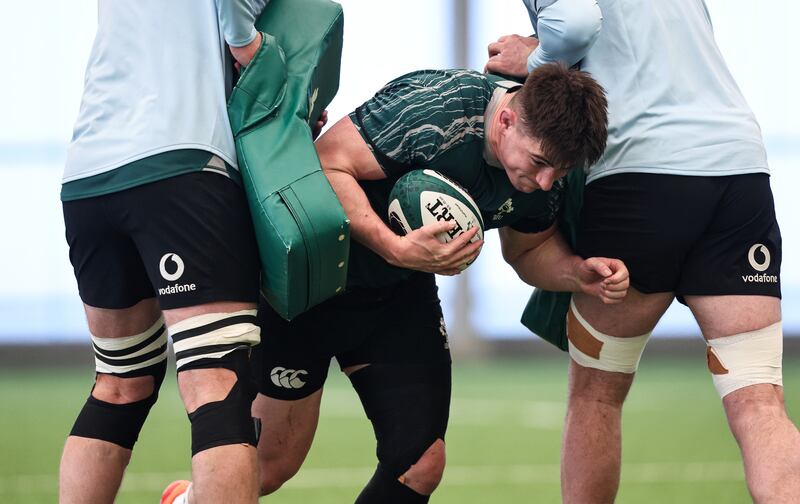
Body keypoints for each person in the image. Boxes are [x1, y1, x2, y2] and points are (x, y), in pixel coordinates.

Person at [249, 62, 624, 503]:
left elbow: (527, 252)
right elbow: (327, 165)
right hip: (312, 288)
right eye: (540, 163)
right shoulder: (434, 110)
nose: (544, 182)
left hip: (398, 297)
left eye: (557, 174)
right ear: (506, 120)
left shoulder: (547, 172)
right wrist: (393, 246)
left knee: (419, 464)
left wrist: (577, 273)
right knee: (270, 467)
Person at [487, 1, 800, 502]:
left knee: (596, 395)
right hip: (737, 170)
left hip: (641, 173)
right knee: (759, 399)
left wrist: (536, 58)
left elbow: (576, 23)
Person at [60, 1, 269, 503]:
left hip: (90, 171)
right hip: (179, 161)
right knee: (216, 382)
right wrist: (252, 51)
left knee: (119, 383)